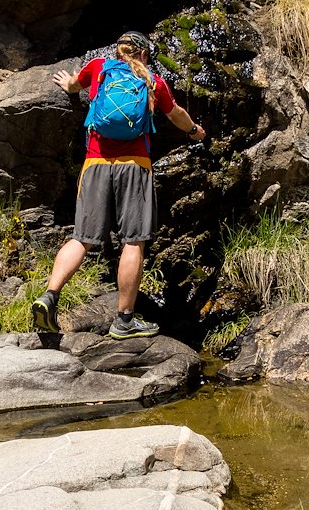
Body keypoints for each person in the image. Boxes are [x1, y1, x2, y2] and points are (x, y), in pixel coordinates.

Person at [32, 31, 206, 339]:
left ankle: (49, 296)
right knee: (133, 241)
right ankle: (124, 321)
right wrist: (194, 131)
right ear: (143, 55)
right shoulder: (153, 82)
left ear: (119, 51)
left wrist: (68, 84)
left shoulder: (99, 67)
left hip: (95, 162)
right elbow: (175, 115)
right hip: (135, 165)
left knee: (81, 238)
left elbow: (75, 85)